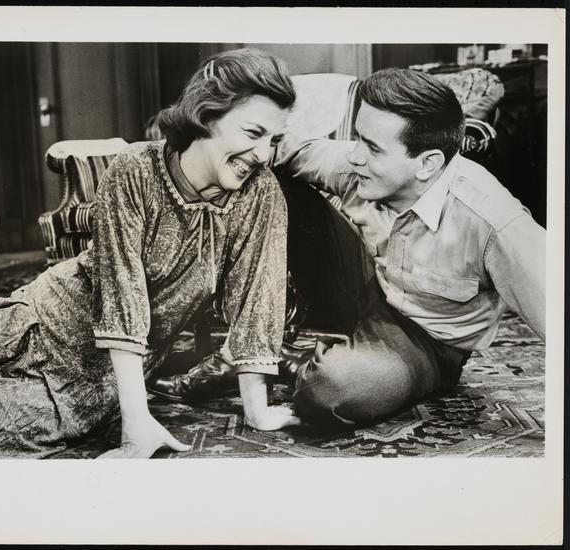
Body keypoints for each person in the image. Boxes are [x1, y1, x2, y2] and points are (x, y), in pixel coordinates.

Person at [0, 48, 300, 459]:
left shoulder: (262, 194)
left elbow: (259, 298)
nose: (263, 155)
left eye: (273, 140)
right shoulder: (135, 169)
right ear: (206, 114)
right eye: (253, 133)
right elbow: (122, 293)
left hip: (93, 377)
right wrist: (136, 423)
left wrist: (257, 412)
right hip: (34, 320)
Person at [153, 67, 546, 428]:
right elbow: (291, 148)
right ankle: (249, 350)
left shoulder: (495, 222)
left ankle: (288, 362)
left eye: (373, 148)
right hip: (366, 285)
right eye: (358, 138)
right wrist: (193, 146)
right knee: (270, 177)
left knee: (326, 394)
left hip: (427, 340)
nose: (355, 156)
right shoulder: (359, 166)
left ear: (427, 163)